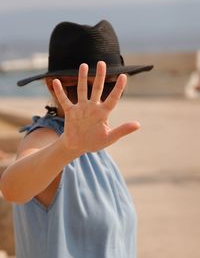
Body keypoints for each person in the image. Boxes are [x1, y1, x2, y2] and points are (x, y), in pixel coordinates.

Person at [0, 20, 153, 258]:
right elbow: (13, 188)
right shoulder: (48, 138)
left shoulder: (95, 148)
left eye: (106, 87)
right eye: (79, 88)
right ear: (53, 87)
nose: (95, 99)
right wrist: (67, 149)